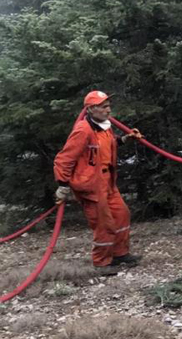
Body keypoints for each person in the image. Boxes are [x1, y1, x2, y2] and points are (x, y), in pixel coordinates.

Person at [54, 91, 143, 273]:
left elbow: (108, 145)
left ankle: (120, 254)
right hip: (91, 186)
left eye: (109, 106)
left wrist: (125, 139)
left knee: (121, 214)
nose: (108, 110)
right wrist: (62, 185)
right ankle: (101, 263)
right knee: (104, 224)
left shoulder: (105, 126)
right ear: (91, 109)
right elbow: (64, 158)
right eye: (104, 107)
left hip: (107, 182)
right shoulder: (82, 130)